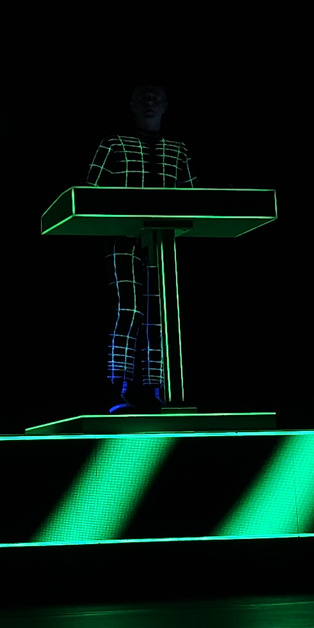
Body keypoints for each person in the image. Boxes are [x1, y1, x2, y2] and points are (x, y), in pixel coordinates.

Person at [87, 84, 195, 413]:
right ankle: (117, 387)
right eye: (143, 98)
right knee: (130, 310)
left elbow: (195, 199)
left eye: (156, 98)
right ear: (131, 105)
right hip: (122, 239)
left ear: (166, 106)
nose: (150, 103)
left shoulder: (178, 150)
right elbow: (90, 194)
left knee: (160, 315)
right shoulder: (114, 144)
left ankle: (154, 387)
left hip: (163, 243)